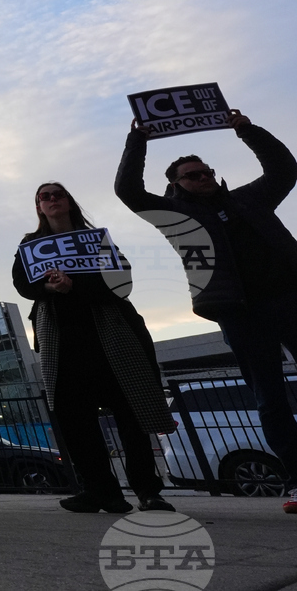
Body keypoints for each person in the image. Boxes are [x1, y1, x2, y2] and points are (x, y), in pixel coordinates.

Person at [116, 111, 297, 514]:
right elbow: (129, 191)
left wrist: (246, 130)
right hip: (240, 313)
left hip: (290, 298)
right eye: (193, 175)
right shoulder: (178, 218)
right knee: (270, 398)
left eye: (207, 171)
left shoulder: (250, 198)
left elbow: (284, 168)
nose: (204, 178)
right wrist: (138, 141)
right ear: (176, 185)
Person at [12, 183, 177, 513]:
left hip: (111, 335)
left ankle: (147, 490)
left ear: (70, 202)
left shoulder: (98, 241)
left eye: (58, 194)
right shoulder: (29, 244)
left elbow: (122, 280)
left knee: (131, 414)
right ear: (38, 208)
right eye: (44, 196)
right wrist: (50, 286)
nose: (52, 199)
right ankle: (102, 491)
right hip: (63, 341)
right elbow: (21, 282)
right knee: (75, 420)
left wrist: (75, 285)